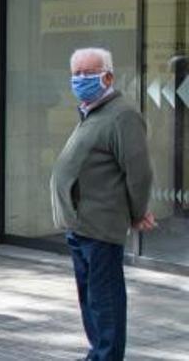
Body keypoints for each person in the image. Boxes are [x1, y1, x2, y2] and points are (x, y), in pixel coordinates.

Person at [51, 48, 155, 361]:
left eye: (88, 73)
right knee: (90, 300)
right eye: (76, 74)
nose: (80, 79)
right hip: (80, 225)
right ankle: (97, 354)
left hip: (100, 227)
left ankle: (107, 356)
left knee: (105, 302)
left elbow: (139, 172)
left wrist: (138, 213)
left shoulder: (122, 115)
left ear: (108, 76)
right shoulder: (90, 113)